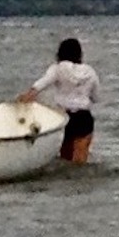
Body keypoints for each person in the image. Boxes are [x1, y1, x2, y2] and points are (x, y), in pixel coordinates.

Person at [28, 35, 99, 166]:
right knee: (80, 162)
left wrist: (26, 98)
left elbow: (40, 85)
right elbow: (96, 97)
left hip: (64, 117)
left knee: (65, 159)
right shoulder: (90, 72)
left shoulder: (57, 69)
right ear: (80, 54)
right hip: (84, 117)